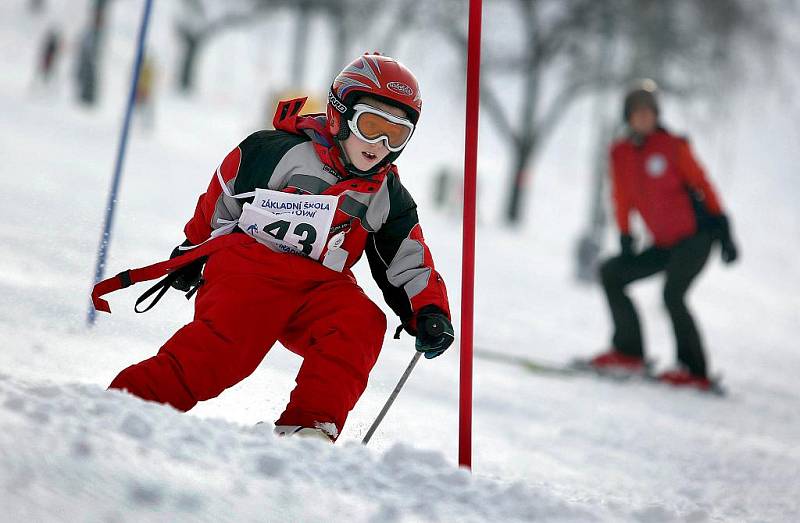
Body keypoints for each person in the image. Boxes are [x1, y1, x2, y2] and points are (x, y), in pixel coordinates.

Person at [95, 53, 454, 441]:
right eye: (370, 125)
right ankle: (130, 403)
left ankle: (309, 426)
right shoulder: (274, 151)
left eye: (396, 134)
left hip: (320, 286)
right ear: (339, 115)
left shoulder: (388, 194)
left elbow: (408, 259)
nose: (379, 144)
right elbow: (222, 197)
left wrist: (429, 309)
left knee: (360, 322)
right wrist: (192, 251)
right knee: (224, 355)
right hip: (249, 271)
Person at [585, 80, 739, 390]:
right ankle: (629, 352)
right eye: (637, 113)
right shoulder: (620, 153)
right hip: (664, 244)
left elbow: (703, 184)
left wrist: (723, 226)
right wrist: (626, 235)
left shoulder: (673, 146)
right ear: (627, 117)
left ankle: (695, 371)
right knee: (611, 273)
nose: (643, 118)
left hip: (695, 239)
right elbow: (621, 197)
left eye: (649, 112)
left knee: (673, 294)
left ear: (657, 115)